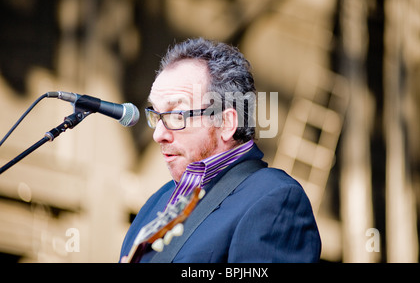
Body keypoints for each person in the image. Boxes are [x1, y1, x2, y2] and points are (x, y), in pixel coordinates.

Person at [119, 38, 321, 263]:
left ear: (226, 123)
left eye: (177, 115)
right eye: (156, 114)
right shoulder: (157, 201)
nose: (158, 134)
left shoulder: (274, 198)